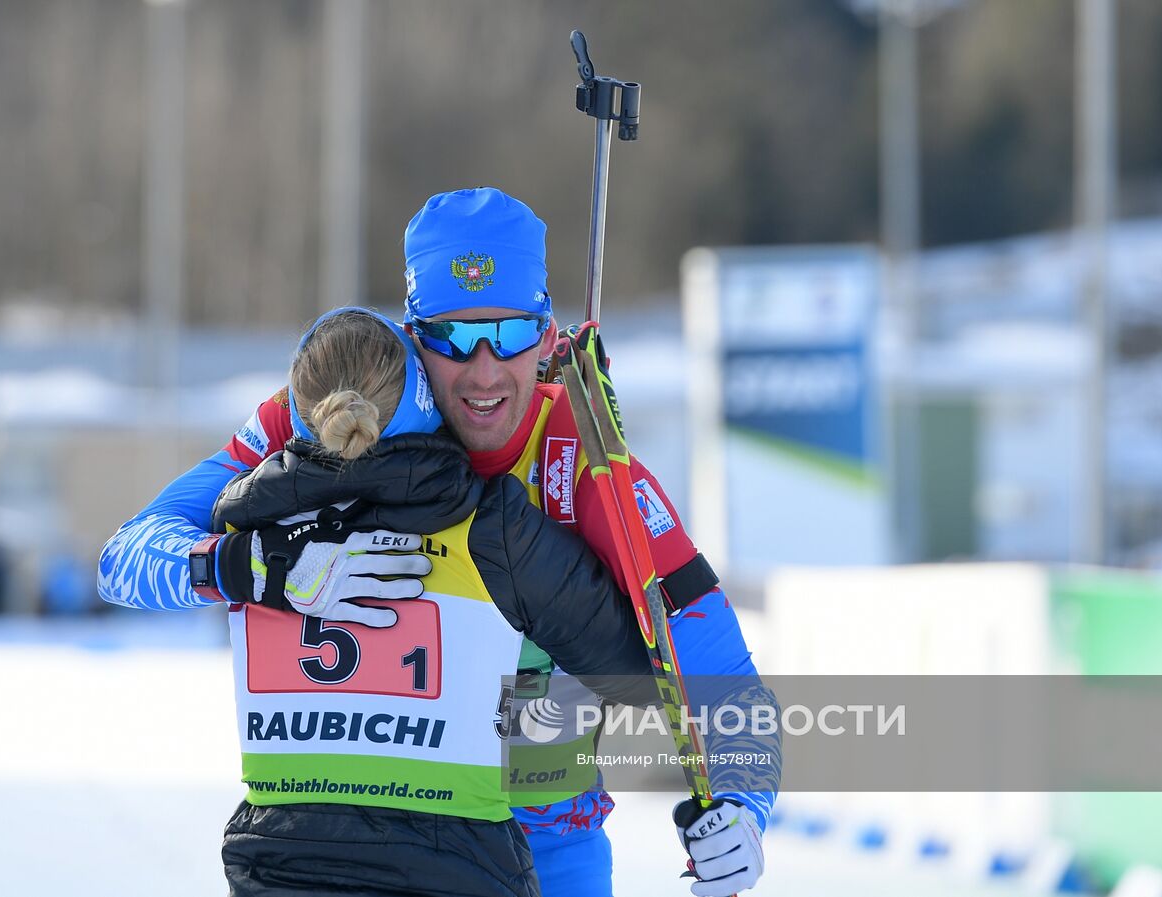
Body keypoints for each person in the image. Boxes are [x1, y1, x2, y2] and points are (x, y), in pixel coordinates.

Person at [105, 186, 779, 897]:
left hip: (546, 852)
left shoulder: (574, 457)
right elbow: (126, 556)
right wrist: (248, 566)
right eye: (453, 339)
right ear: (411, 335)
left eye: (512, 334)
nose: (485, 371)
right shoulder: (331, 409)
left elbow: (723, 676)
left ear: (549, 336)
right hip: (361, 862)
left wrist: (743, 802)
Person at [100, 306, 659, 897]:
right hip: (488, 852)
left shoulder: (253, 510)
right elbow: (644, 675)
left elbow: (121, 564)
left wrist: (243, 566)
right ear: (426, 403)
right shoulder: (494, 526)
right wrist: (591, 428)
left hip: (282, 864)